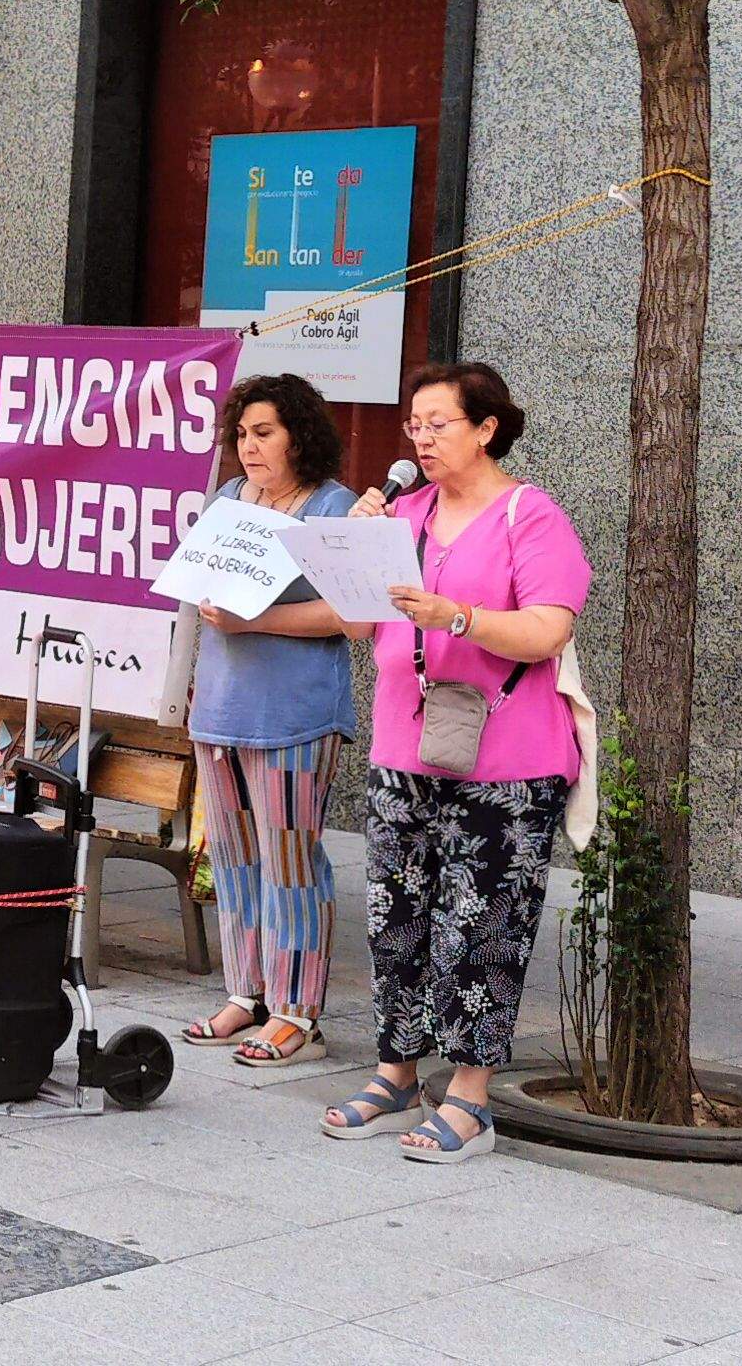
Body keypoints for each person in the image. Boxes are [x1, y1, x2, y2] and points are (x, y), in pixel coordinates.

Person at [317, 362, 591, 1164]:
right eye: (414, 425)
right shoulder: (402, 514)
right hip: (406, 748)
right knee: (395, 918)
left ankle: (471, 1099)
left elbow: (547, 631)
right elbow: (353, 626)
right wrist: (354, 548)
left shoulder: (530, 518)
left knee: (483, 929)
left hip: (507, 762)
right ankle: (395, 1070)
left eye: (439, 423)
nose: (422, 439)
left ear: (486, 429)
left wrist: (459, 617)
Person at [175, 373, 370, 1070]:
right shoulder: (230, 498)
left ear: (300, 436)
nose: (249, 447)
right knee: (231, 859)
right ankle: (244, 991)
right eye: (242, 434)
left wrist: (259, 618)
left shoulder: (333, 509)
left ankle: (296, 1011)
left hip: (294, 716)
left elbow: (354, 619)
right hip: (221, 711)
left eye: (265, 433)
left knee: (291, 864)